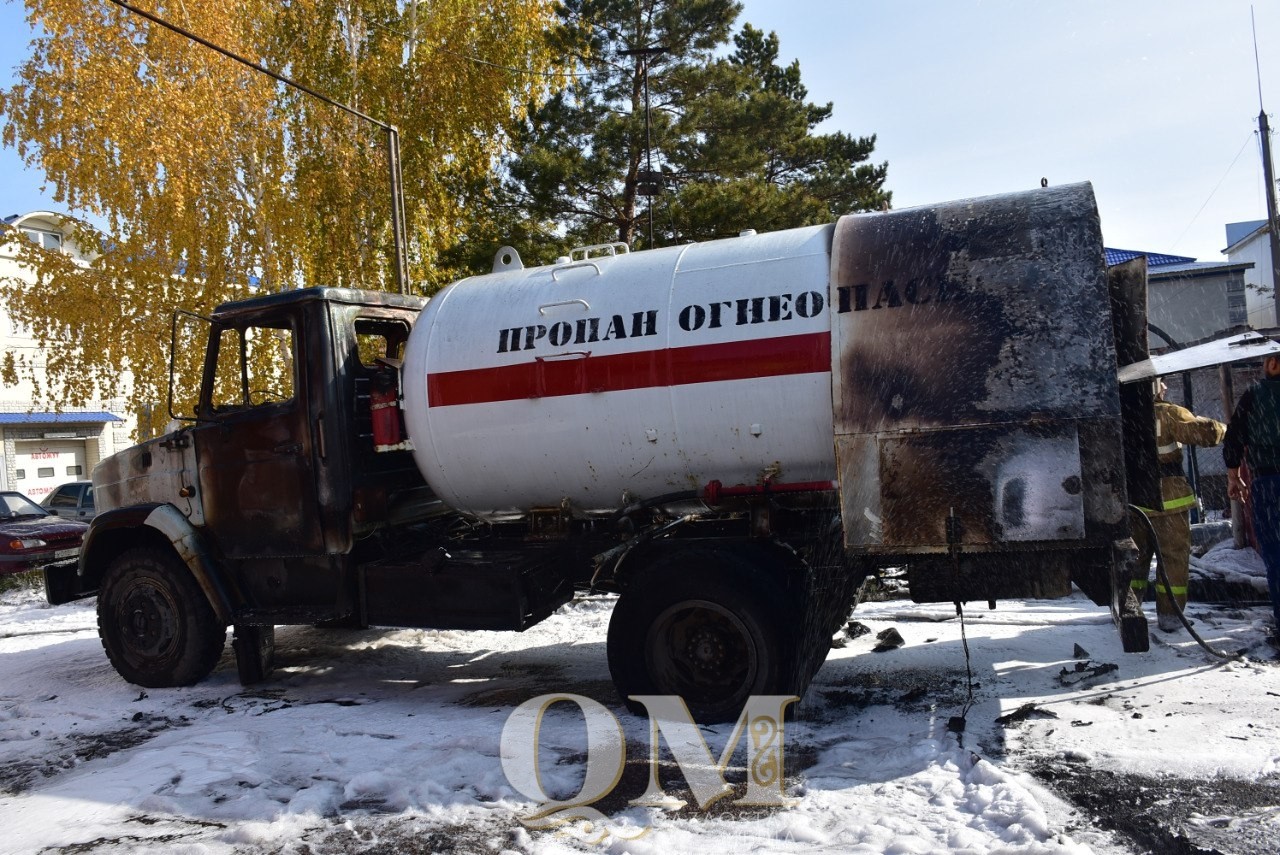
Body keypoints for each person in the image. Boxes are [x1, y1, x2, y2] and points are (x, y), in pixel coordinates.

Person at [1132, 377, 1226, 632]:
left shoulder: (1122, 413)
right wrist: (1222, 428)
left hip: (1134, 502)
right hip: (1169, 500)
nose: (1164, 387)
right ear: (1153, 387)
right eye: (1161, 382)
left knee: (1133, 560)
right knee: (1172, 560)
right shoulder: (1169, 413)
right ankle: (1170, 617)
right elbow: (1201, 432)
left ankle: (1128, 611)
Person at [1224, 354, 1280, 642]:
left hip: (1269, 482)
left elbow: (1233, 437)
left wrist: (1235, 476)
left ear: (1273, 364)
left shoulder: (1256, 394)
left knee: (1276, 554)